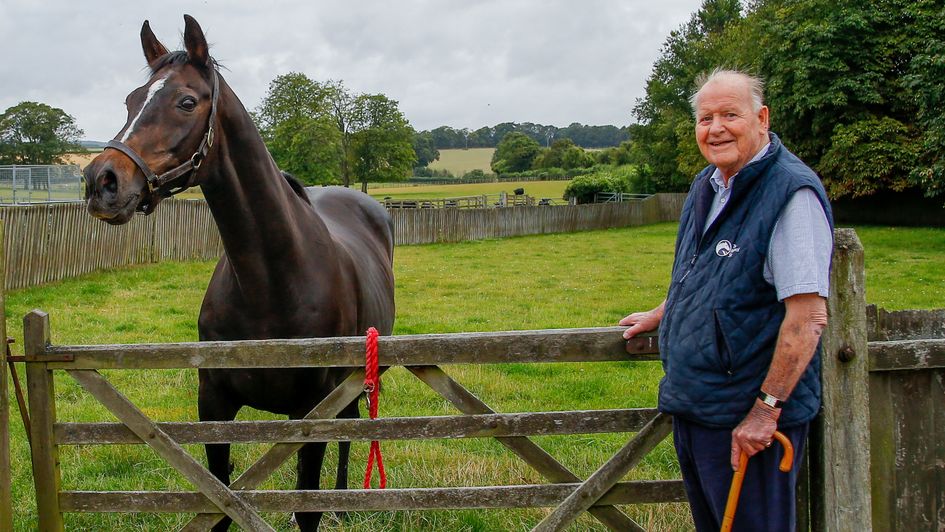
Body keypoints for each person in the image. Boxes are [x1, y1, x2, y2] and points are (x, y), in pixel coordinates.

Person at [621, 68, 833, 531]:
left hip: (750, 425)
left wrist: (764, 411)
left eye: (729, 115)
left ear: (761, 118)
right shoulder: (709, 185)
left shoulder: (789, 194)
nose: (715, 128)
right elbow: (704, 273)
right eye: (705, 118)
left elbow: (807, 317)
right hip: (697, 407)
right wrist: (664, 312)